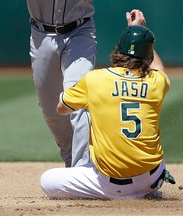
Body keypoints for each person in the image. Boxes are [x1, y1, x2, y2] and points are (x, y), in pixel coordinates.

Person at [40, 17, 176, 199]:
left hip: (112, 186)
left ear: (119, 50)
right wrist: (138, 30)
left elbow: (61, 108)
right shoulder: (156, 82)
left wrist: (93, 103)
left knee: (47, 180)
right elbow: (158, 67)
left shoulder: (96, 79)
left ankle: (122, 195)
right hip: (152, 179)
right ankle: (146, 190)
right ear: (149, 56)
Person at [27, 0, 147, 167]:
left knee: (78, 101)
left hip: (79, 32)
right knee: (51, 111)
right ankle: (70, 159)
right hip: (41, 34)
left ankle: (82, 167)